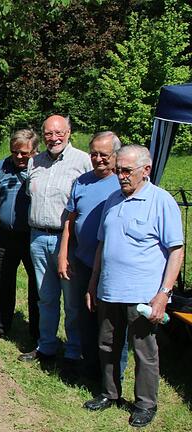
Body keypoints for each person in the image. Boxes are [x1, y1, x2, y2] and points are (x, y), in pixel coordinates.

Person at [82, 145, 184, 428]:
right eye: (118, 171)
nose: (121, 176)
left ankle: (145, 404)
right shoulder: (113, 200)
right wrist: (93, 282)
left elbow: (176, 250)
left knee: (143, 351)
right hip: (109, 290)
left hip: (142, 294)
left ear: (146, 170)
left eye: (127, 171)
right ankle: (110, 393)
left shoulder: (161, 201)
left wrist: (163, 294)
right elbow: (103, 244)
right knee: (107, 344)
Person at [19, 115, 91, 373]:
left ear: (69, 132)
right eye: (48, 133)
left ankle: (73, 351)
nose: (53, 138)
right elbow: (30, 194)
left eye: (58, 132)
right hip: (38, 237)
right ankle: (46, 346)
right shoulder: (34, 162)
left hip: (67, 239)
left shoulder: (83, 161)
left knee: (71, 300)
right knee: (45, 297)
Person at [57, 132, 123, 379]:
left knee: (109, 325)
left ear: (115, 156)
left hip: (112, 267)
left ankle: (112, 376)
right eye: (93, 154)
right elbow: (69, 222)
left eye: (103, 155)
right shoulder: (82, 182)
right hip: (83, 261)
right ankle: (89, 366)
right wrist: (63, 254)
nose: (97, 159)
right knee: (83, 317)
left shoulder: (123, 183)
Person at [0, 130, 39, 342]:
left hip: (33, 236)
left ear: (35, 151)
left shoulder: (42, 168)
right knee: (3, 281)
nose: (18, 157)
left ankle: (37, 330)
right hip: (5, 235)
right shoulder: (2, 166)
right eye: (14, 152)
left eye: (24, 153)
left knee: (37, 284)